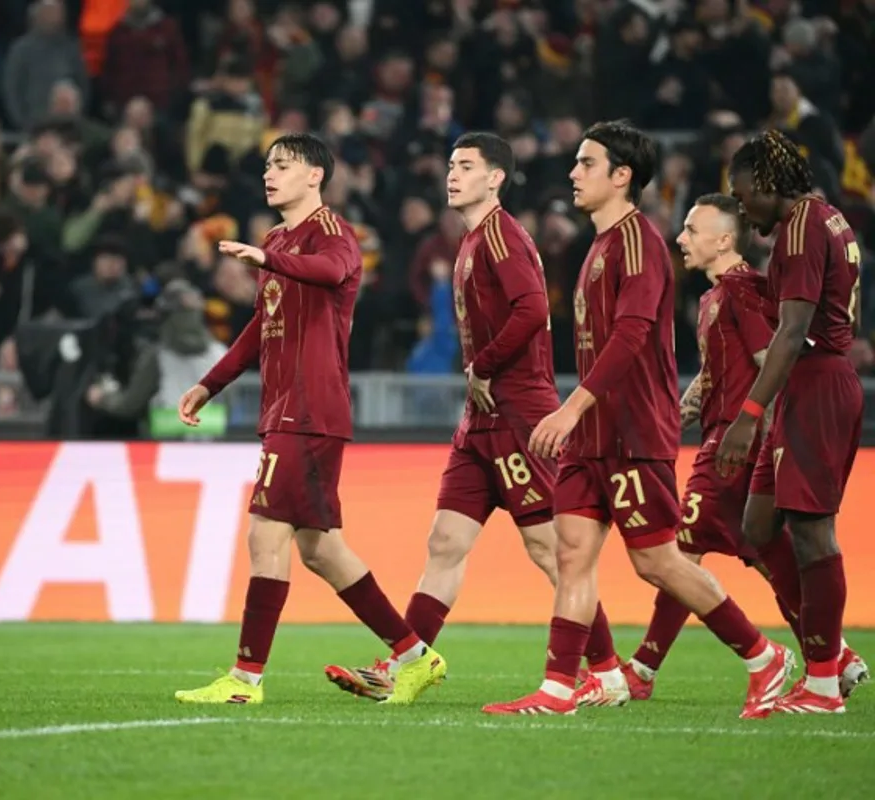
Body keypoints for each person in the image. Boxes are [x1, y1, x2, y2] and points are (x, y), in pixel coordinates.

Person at [482, 121, 791, 719]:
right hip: (594, 436)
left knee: (657, 561)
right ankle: (558, 688)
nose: (573, 173)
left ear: (622, 176)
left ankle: (762, 656)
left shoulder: (639, 243)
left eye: (586, 163)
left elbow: (631, 335)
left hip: (631, 432)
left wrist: (570, 407)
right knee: (571, 554)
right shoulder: (597, 246)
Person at [320, 132, 616, 700]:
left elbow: (532, 308)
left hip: (517, 412)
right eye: (451, 165)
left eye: (467, 166)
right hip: (480, 418)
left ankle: (604, 670)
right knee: (445, 541)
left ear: (496, 177)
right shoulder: (474, 239)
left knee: (550, 549)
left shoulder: (501, 236)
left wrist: (482, 364)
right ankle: (409, 662)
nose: (453, 175)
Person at [173, 133, 446, 705]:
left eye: (284, 164)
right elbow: (259, 328)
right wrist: (208, 384)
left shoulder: (333, 232)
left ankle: (245, 680)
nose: (270, 174)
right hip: (286, 408)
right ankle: (415, 656)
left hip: (309, 406)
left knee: (264, 534)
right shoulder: (277, 238)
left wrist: (266, 258)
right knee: (321, 549)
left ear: (315, 176)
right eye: (267, 164)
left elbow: (331, 271)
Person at [720, 129, 868, 714]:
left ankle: (825, 682)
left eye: (742, 194)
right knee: (758, 527)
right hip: (805, 386)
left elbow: (792, 330)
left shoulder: (801, 227)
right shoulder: (825, 218)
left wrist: (746, 416)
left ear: (765, 182)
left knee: (811, 534)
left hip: (816, 383)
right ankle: (834, 655)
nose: (741, 206)